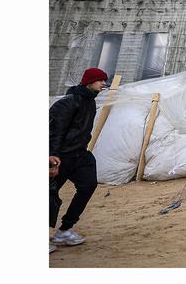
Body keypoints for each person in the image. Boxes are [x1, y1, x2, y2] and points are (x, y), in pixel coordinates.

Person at [49, 67, 108, 247]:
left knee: (88, 185)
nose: (104, 83)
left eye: (104, 80)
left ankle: (65, 230)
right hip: (61, 156)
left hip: (80, 154)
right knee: (49, 195)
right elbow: (54, 130)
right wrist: (52, 155)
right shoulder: (68, 102)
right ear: (89, 81)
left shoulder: (90, 102)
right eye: (100, 80)